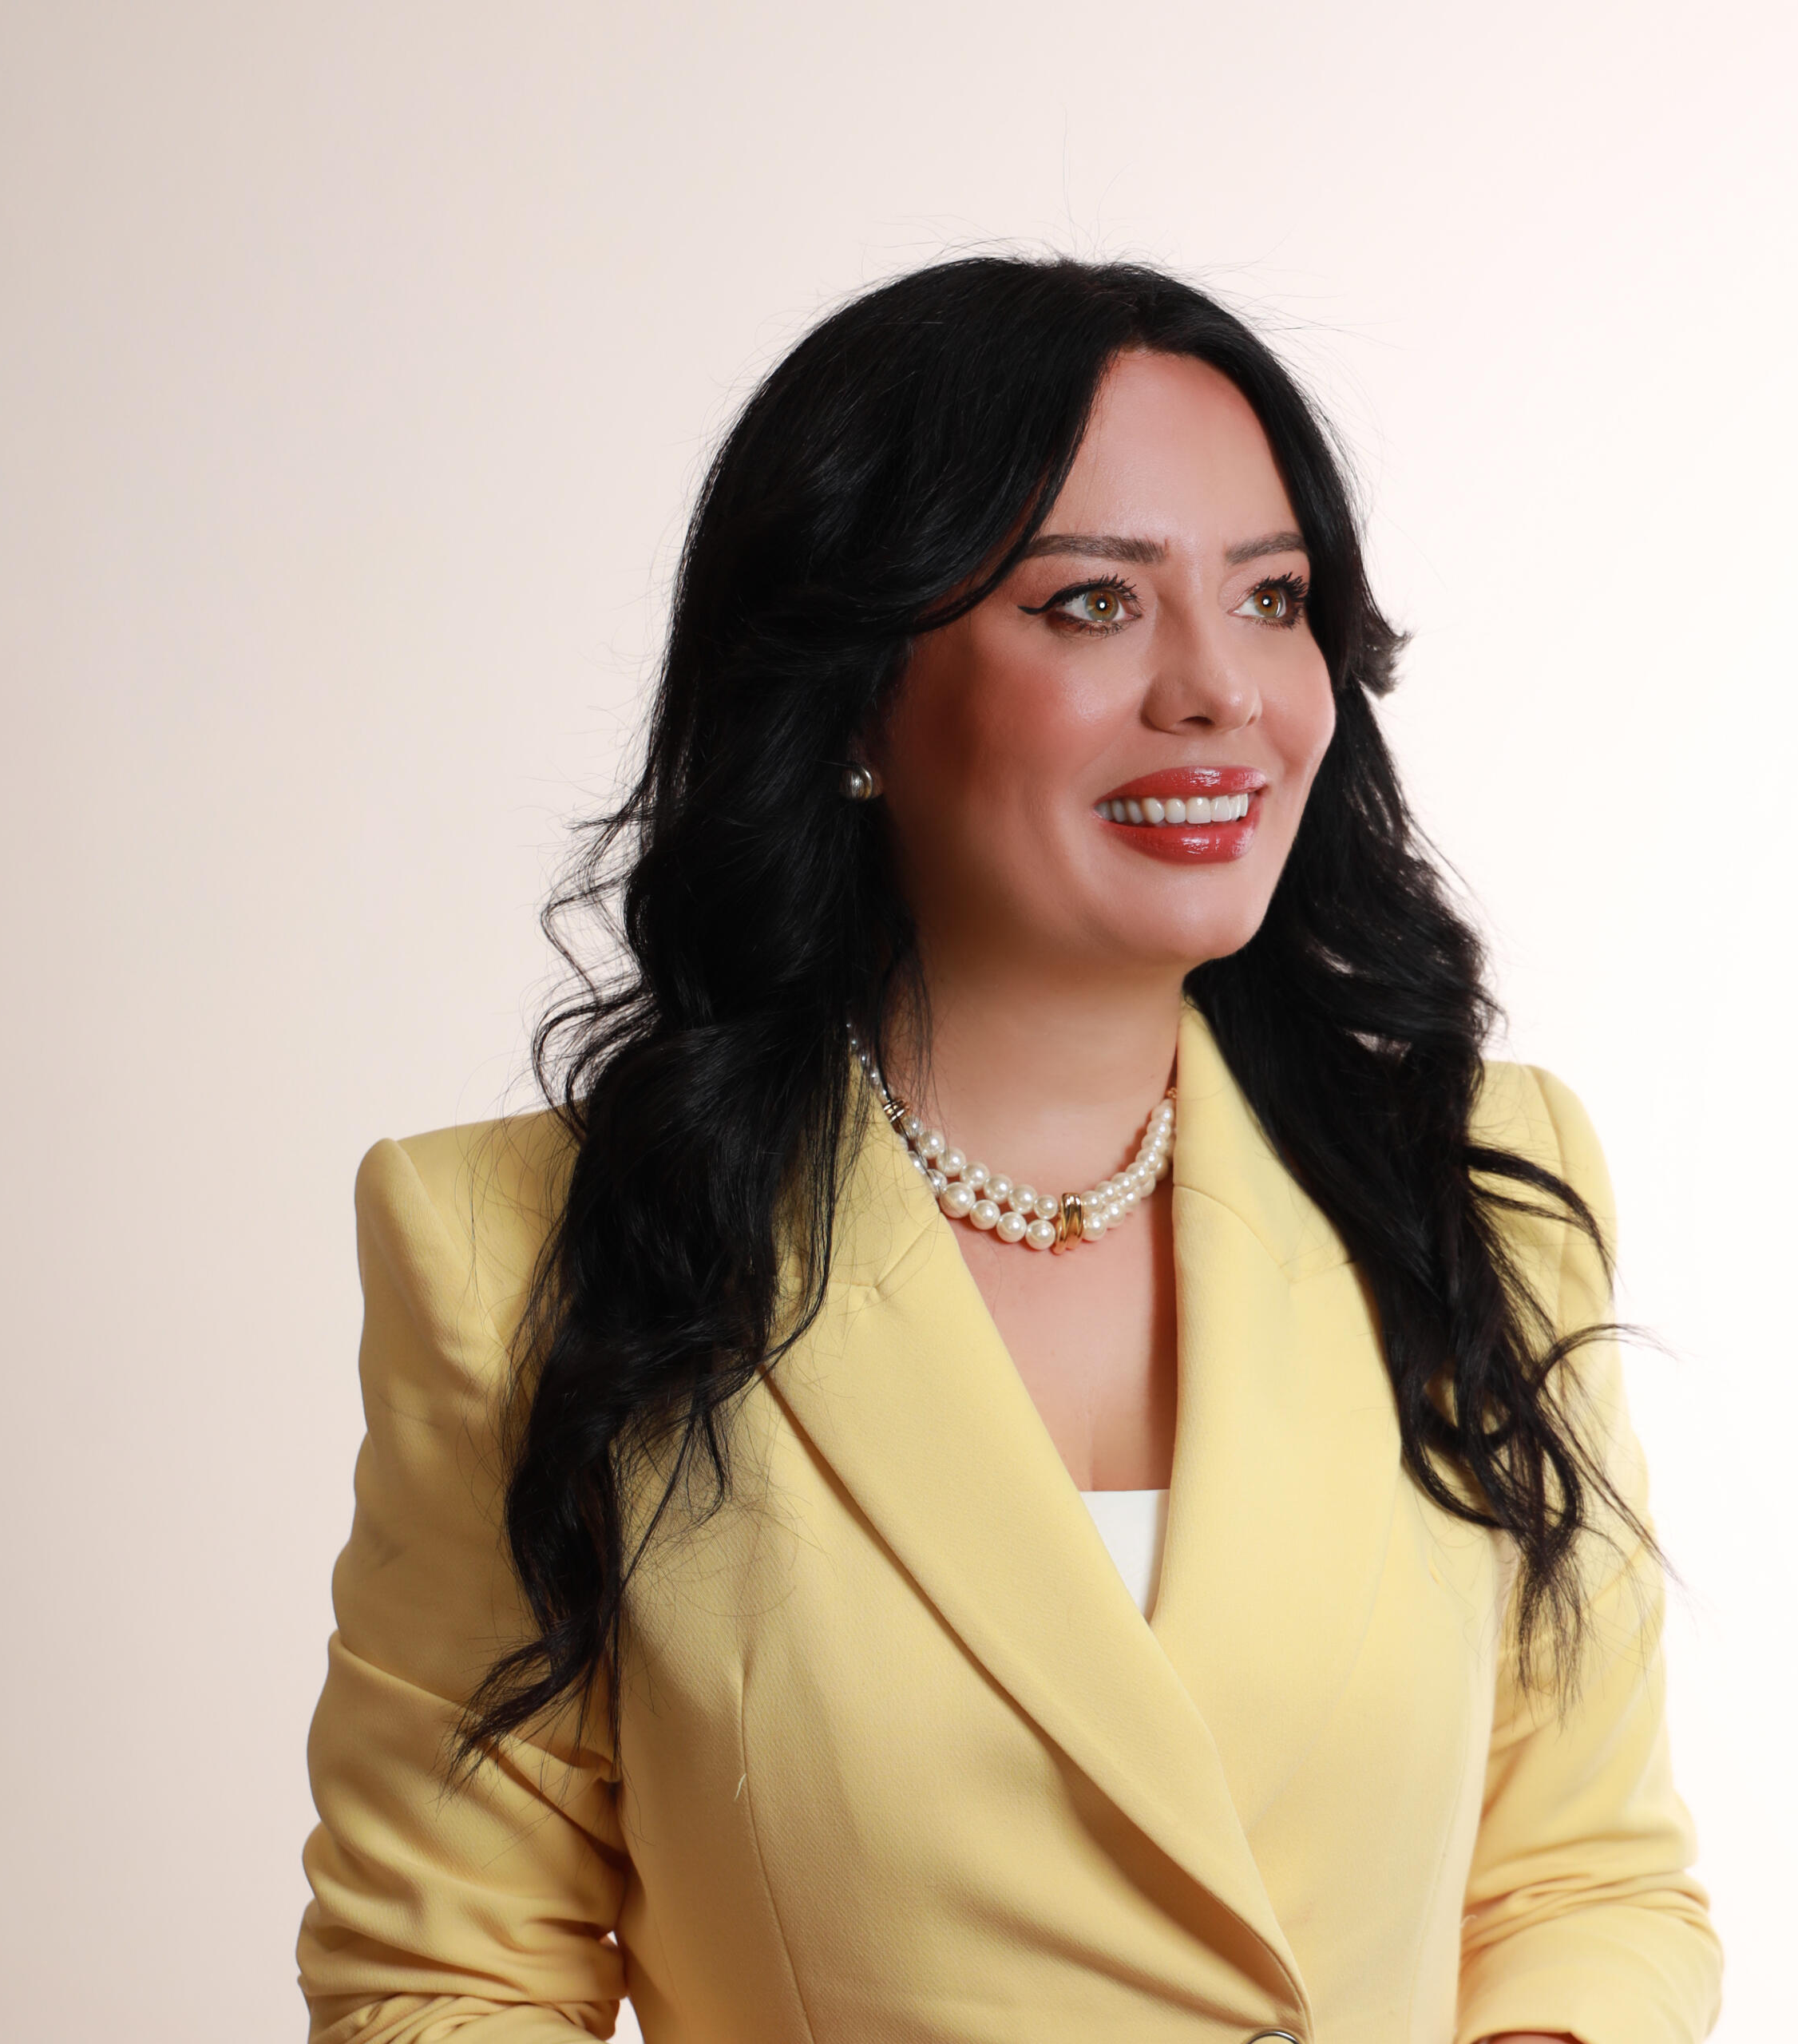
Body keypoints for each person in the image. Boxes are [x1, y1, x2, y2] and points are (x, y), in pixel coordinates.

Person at [296, 257, 1720, 2044]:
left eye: (1272, 596)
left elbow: (1581, 1882)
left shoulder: (1480, 1185)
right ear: (852, 695)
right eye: (1091, 603)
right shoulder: (517, 1246)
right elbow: (445, 1977)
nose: (1221, 689)